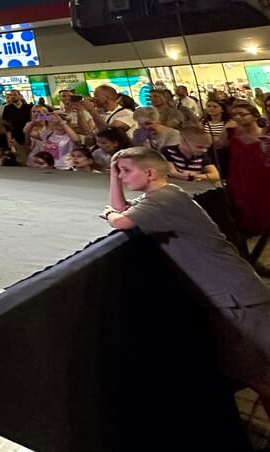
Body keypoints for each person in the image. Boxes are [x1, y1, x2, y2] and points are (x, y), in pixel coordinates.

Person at [103, 148, 270, 415]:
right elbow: (123, 208)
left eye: (126, 171)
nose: (122, 176)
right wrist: (113, 176)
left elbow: (120, 219)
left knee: (260, 374)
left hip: (235, 298)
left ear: (150, 173)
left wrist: (109, 214)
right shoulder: (163, 196)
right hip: (229, 294)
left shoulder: (165, 199)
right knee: (253, 372)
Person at [224, 101, 270, 243]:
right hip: (238, 175)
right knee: (241, 204)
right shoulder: (231, 133)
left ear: (254, 116)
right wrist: (225, 129)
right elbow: (217, 145)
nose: (238, 117)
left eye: (242, 114)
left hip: (261, 175)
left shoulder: (264, 133)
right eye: (234, 115)